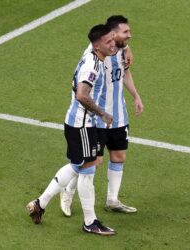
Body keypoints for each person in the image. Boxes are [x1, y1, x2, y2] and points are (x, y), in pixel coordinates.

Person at [26, 24, 117, 236]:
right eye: (108, 42)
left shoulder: (91, 54)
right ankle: (90, 221)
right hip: (81, 124)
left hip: (79, 123)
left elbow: (102, 38)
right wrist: (102, 113)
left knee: (77, 166)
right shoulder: (92, 67)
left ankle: (40, 203)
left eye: (113, 40)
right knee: (87, 171)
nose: (112, 45)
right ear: (97, 46)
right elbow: (82, 95)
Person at [60, 15, 144, 217]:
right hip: (98, 117)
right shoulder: (97, 52)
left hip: (118, 115)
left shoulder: (121, 48)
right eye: (125, 33)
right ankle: (67, 191)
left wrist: (136, 96)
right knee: (90, 161)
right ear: (112, 34)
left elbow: (125, 72)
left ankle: (112, 200)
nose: (129, 36)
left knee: (119, 156)